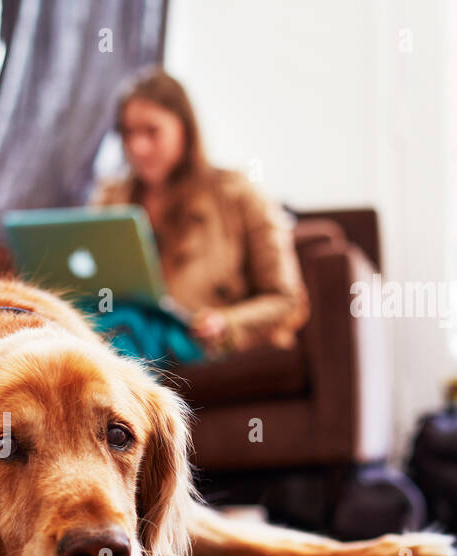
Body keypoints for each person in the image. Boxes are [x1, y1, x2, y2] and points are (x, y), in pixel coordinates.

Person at [91, 68, 309, 370]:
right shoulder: (109, 198)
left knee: (121, 330)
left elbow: (288, 302)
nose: (137, 147)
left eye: (152, 132)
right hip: (116, 324)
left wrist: (227, 323)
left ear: (185, 130)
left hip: (192, 337)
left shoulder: (238, 194)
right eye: (128, 133)